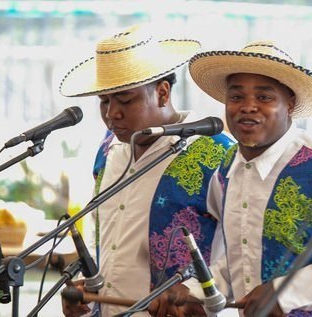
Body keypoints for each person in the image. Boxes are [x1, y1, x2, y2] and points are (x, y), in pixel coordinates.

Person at [148, 41, 312, 317]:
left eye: (264, 97)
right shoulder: (225, 171)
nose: (248, 107)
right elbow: (235, 259)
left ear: (290, 103)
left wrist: (288, 292)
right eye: (237, 97)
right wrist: (194, 291)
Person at [58, 24, 234, 316]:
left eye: (125, 99)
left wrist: (197, 291)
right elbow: (107, 240)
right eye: (104, 101)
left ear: (162, 93)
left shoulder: (215, 152)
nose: (112, 113)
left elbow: (243, 248)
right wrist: (89, 293)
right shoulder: (108, 150)